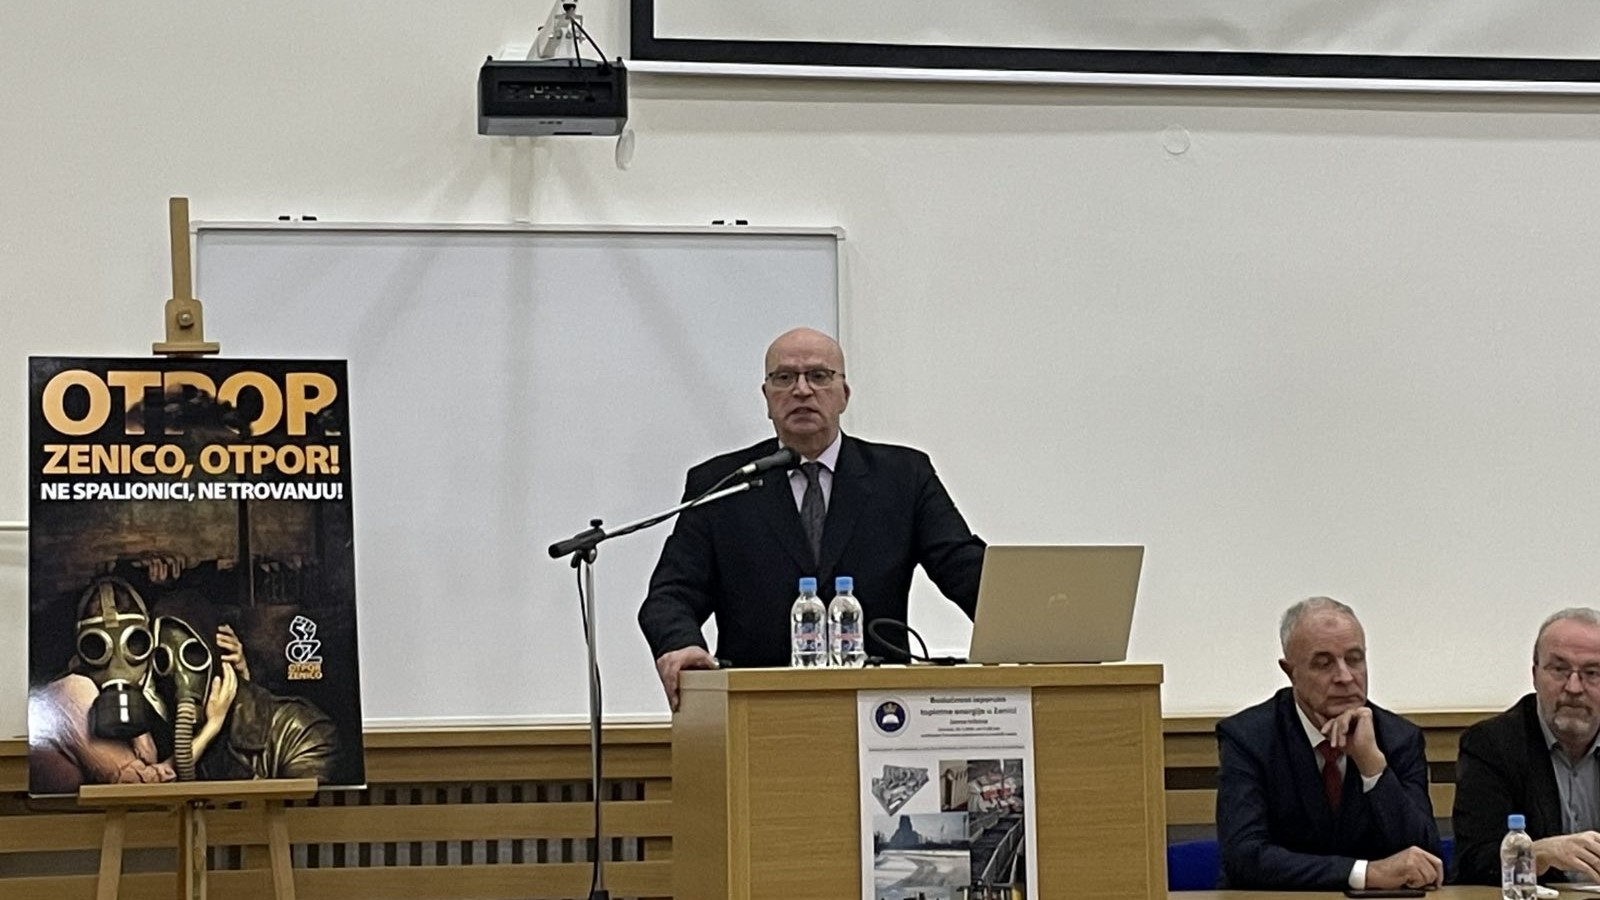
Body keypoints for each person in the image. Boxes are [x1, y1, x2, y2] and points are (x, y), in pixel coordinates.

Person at [637, 327, 986, 709]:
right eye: (785, 378)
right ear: (767, 398)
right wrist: (680, 644)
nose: (802, 390)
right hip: (757, 706)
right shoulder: (724, 484)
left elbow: (963, 569)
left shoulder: (903, 476)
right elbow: (670, 595)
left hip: (882, 709)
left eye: (819, 376)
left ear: (844, 394)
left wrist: (1026, 624)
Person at [1215, 597, 1442, 890]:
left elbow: (1426, 856)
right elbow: (1244, 857)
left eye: (1354, 659)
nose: (1345, 677)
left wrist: (1372, 766)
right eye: (1324, 664)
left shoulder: (1398, 738)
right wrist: (1365, 873)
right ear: (1290, 672)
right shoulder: (1249, 738)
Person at [1452, 608, 1600, 885]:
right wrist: (1537, 854)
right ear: (1534, 675)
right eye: (1559, 670)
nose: (1574, 687)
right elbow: (1473, 861)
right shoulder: (1492, 744)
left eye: (1592, 673)